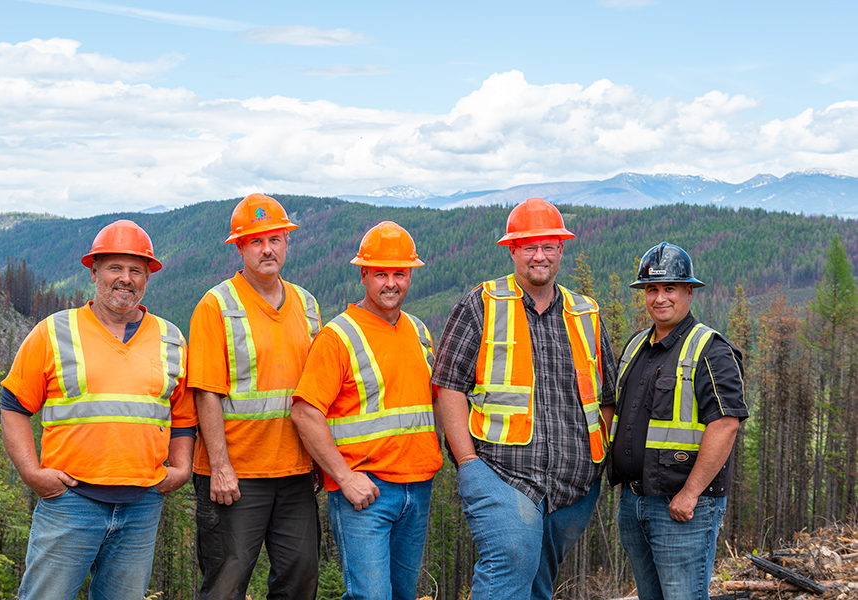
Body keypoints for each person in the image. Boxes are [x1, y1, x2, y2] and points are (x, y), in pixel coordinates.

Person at [0, 219, 196, 600]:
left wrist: (182, 467)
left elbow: (184, 416)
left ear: (147, 277)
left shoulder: (171, 338)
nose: (126, 279)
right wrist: (30, 471)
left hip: (142, 506)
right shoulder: (54, 332)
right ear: (94, 272)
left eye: (135, 270)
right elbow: (13, 405)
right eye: (115, 268)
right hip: (70, 502)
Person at [431, 197, 617, 599]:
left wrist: (596, 465)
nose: (539, 256)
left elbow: (606, 396)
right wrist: (467, 463)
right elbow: (448, 385)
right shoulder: (482, 304)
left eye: (548, 246)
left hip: (573, 485)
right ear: (512, 250)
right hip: (501, 472)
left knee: (536, 581)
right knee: (511, 561)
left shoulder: (586, 313)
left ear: (560, 250)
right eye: (529, 246)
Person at [291, 221, 442, 599]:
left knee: (403, 594)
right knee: (371, 595)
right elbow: (305, 413)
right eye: (380, 274)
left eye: (399, 274)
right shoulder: (338, 337)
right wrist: (344, 477)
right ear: (364, 275)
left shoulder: (419, 331)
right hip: (366, 492)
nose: (391, 283)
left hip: (418, 488)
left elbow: (435, 405)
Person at [189, 193, 321, 599]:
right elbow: (206, 393)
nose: (267, 249)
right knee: (225, 584)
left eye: (275, 239)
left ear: (287, 243)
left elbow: (315, 393)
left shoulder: (306, 304)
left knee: (300, 578)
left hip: (295, 472)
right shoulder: (217, 305)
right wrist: (221, 467)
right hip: (236, 475)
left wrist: (319, 458)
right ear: (240, 247)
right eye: (255, 241)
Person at [610, 242, 747, 600]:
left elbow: (726, 424)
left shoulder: (710, 349)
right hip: (634, 501)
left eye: (670, 288)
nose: (659, 298)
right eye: (652, 289)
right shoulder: (636, 345)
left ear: (689, 291)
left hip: (682, 508)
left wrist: (689, 494)